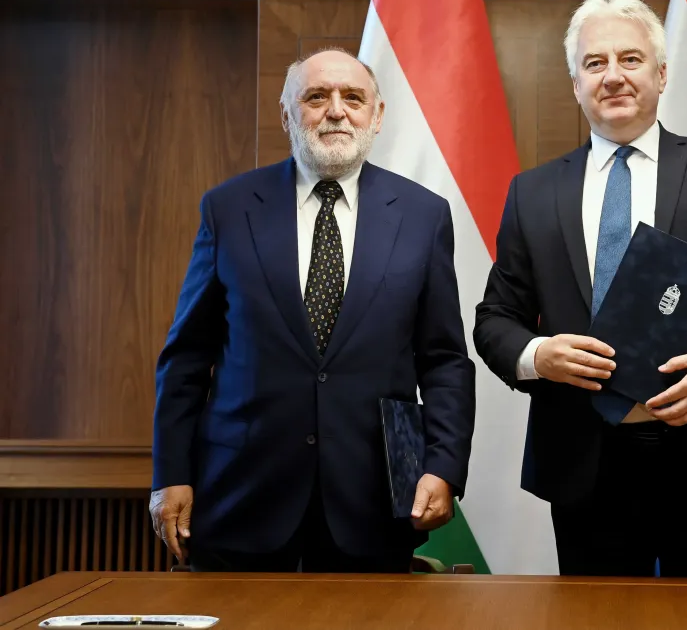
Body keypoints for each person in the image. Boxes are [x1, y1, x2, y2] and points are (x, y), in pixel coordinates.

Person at [473, 0, 687, 578]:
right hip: (585, 461)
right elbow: (495, 319)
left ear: (660, 75)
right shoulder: (532, 193)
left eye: (630, 59)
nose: (613, 76)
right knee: (596, 619)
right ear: (576, 85)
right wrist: (537, 355)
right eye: (595, 63)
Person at [150, 48, 475, 573]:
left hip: (372, 496)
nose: (336, 111)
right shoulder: (229, 208)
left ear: (377, 115)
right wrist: (171, 473)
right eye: (316, 96)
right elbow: (186, 356)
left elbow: (444, 361)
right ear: (287, 115)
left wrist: (443, 466)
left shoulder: (423, 216)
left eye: (353, 98)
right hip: (240, 492)